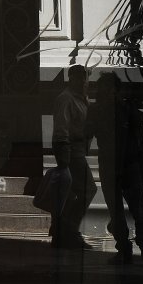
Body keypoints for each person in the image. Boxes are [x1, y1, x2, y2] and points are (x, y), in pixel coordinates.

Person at [86, 73, 143, 267]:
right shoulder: (126, 110)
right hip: (126, 164)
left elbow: (87, 135)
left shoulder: (108, 110)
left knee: (127, 211)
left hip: (120, 164)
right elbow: (140, 142)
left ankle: (131, 251)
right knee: (134, 211)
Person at [51, 64, 97, 249]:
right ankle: (70, 230)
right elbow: (61, 129)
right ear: (71, 78)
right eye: (78, 77)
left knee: (71, 194)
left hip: (78, 150)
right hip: (70, 150)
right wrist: (64, 158)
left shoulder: (82, 98)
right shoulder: (66, 99)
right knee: (88, 189)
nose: (82, 81)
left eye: (84, 77)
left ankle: (61, 233)